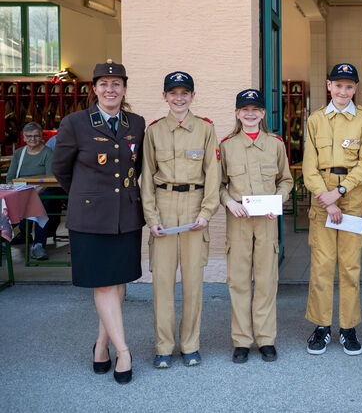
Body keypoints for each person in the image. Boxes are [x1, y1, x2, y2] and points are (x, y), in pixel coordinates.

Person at [51, 59, 146, 384]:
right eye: (104, 84)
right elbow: (61, 169)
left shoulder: (136, 123)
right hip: (90, 219)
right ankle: (124, 352)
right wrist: (86, 196)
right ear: (94, 89)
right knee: (104, 283)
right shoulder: (75, 123)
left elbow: (137, 167)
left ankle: (101, 346)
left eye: (116, 83)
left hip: (126, 216)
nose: (110, 89)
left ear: (124, 89)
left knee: (117, 282)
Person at [140, 71, 221, 369]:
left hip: (193, 206)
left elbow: (213, 174)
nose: (179, 98)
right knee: (162, 282)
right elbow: (146, 177)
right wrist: (152, 218)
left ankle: (190, 345)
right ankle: (163, 347)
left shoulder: (205, 129)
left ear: (192, 96)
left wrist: (206, 212)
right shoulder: (153, 131)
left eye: (184, 93)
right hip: (163, 205)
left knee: (193, 282)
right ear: (164, 96)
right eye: (173, 93)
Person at [302, 63, 362, 355]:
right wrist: (326, 197)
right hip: (322, 198)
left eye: (349, 86)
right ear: (328, 85)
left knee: (349, 266)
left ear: (355, 89)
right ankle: (321, 326)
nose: (343, 91)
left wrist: (340, 192)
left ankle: (348, 327)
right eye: (338, 85)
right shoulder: (316, 120)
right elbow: (309, 166)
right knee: (321, 265)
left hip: (351, 198)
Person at [219, 89, 292, 364]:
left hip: (266, 222)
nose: (250, 114)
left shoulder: (275, 144)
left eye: (255, 109)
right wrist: (229, 202)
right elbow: (219, 185)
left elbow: (286, 180)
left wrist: (278, 200)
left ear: (263, 113)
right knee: (239, 282)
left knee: (266, 282)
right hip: (238, 221)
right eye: (245, 110)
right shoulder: (227, 146)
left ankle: (265, 339)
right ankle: (241, 341)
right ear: (237, 114)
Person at [6, 122, 60, 260]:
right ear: (24, 138)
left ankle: (38, 245)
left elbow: (49, 179)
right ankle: (5, 239)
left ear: (41, 137)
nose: (33, 139)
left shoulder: (48, 153)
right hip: (21, 189)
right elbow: (10, 178)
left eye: (36, 136)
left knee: (41, 203)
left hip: (42, 190)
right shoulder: (19, 153)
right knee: (4, 204)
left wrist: (32, 193)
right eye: (29, 136)